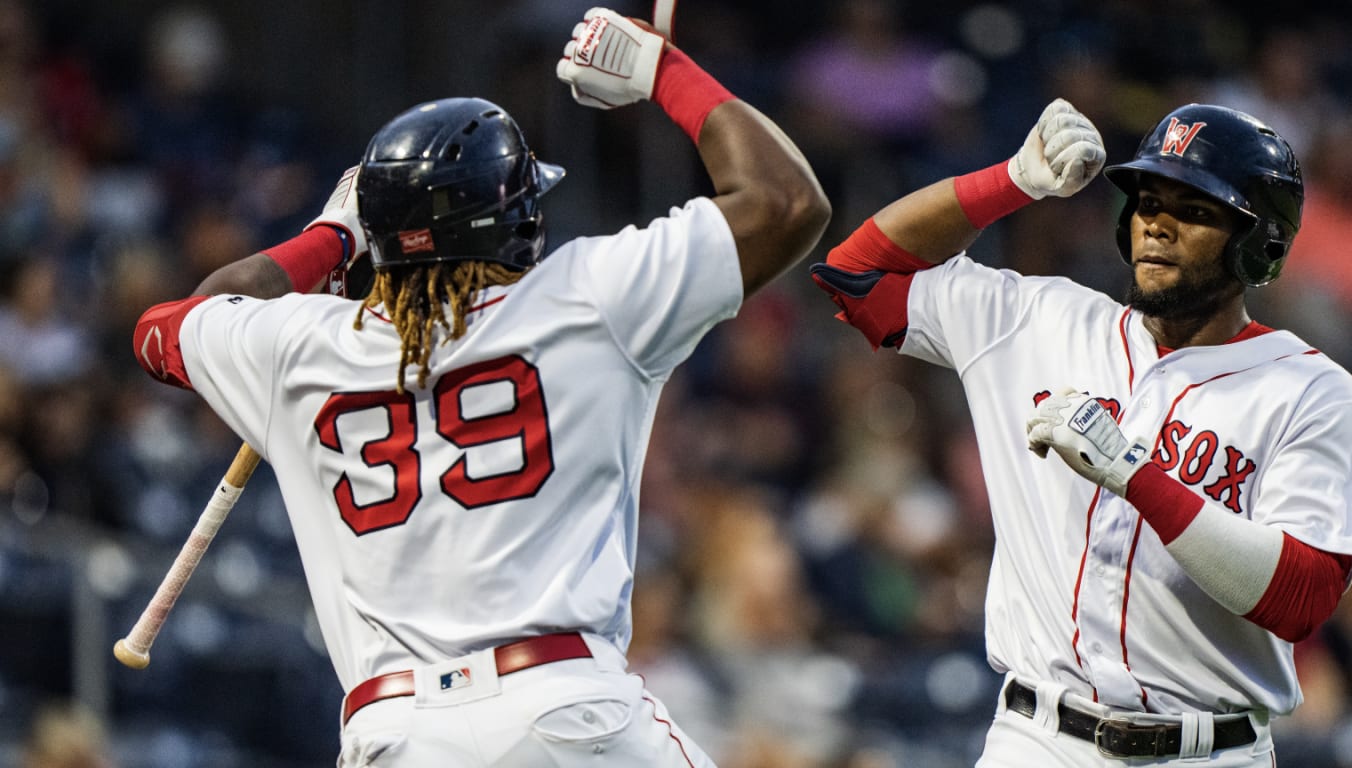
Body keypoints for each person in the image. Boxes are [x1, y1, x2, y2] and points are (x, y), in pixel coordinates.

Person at [130, 7, 829, 767]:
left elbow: (170, 328)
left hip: (391, 733)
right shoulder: (587, 295)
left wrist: (329, 241)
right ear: (516, 220)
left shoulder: (302, 344)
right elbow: (787, 202)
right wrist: (664, 71)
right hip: (563, 708)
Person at [810, 99, 1352, 766]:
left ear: (1261, 245)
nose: (1157, 226)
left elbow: (1301, 598)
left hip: (1206, 750)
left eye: (1194, 210)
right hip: (1037, 738)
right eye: (1147, 201)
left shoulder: (1312, 395)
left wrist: (1135, 476)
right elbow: (856, 276)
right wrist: (1016, 180)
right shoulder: (1039, 320)